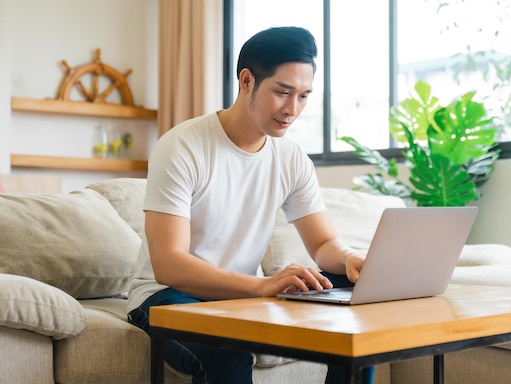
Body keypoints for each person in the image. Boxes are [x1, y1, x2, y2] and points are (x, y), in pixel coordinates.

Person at [126, 26, 374, 384]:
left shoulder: (291, 158)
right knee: (229, 352)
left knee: (353, 303)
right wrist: (261, 286)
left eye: (304, 96)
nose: (292, 109)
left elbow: (322, 245)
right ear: (246, 81)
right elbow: (168, 264)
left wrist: (351, 259)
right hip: (165, 298)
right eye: (282, 92)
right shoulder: (182, 146)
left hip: (236, 298)